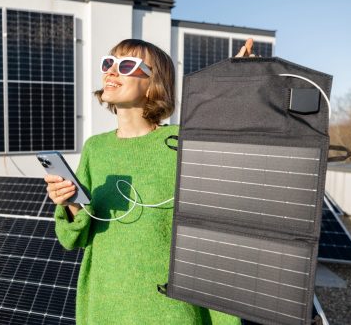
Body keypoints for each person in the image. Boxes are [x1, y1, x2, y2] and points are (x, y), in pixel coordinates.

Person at [44, 38, 256, 324]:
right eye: (109, 63)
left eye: (127, 65)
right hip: (104, 305)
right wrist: (70, 204)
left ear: (154, 84)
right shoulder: (96, 148)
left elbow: (235, 149)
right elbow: (74, 239)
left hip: (169, 310)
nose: (111, 71)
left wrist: (237, 82)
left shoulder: (181, 142)